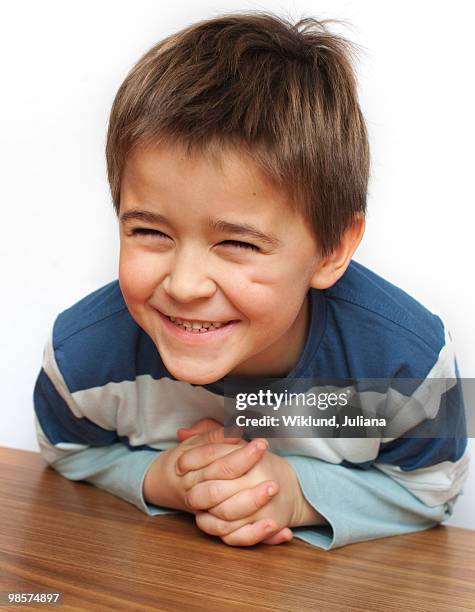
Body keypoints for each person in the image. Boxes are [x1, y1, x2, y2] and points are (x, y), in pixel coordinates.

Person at [33, 12, 468, 550]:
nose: (186, 284)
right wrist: (163, 481)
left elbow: (434, 490)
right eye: (150, 231)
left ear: (332, 249)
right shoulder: (81, 357)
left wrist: (295, 494)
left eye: (238, 243)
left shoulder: (410, 365)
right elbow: (64, 448)